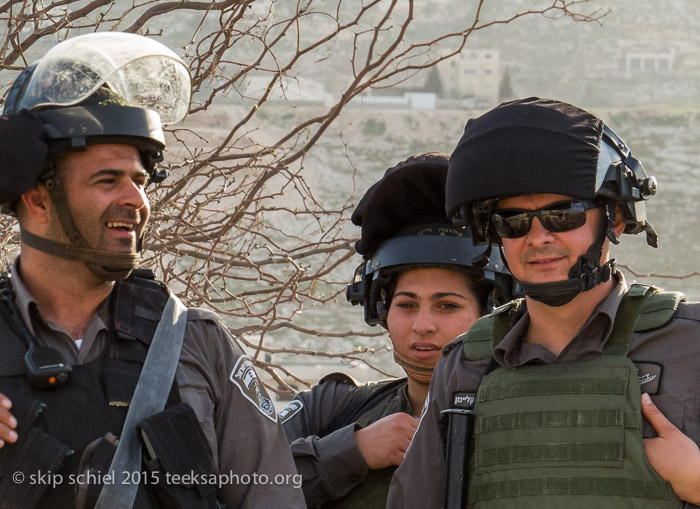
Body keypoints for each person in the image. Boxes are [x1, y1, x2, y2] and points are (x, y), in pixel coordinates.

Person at [0, 32, 305, 509]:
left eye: (140, 181)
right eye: (108, 180)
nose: (137, 201)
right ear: (37, 200)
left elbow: (273, 497)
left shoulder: (195, 343)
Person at [387, 97, 700, 508]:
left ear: (616, 220)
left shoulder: (689, 344)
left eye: (563, 215)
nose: (538, 238)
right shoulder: (466, 366)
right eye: (513, 221)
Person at [280, 153, 515, 508]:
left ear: (491, 311)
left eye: (447, 305)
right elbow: (239, 481)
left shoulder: (527, 413)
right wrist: (351, 451)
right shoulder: (331, 409)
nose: (422, 325)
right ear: (381, 310)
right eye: (406, 305)